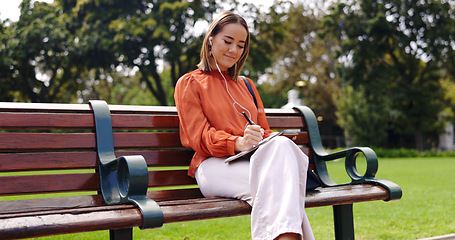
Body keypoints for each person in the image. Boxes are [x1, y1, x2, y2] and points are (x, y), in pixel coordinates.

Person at [174, 11, 315, 240]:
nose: (233, 50)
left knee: (279, 179)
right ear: (211, 39)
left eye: (240, 45)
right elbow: (198, 137)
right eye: (227, 42)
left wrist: (268, 138)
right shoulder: (190, 83)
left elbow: (263, 130)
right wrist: (237, 142)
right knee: (284, 188)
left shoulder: (247, 85)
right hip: (212, 166)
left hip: (253, 163)